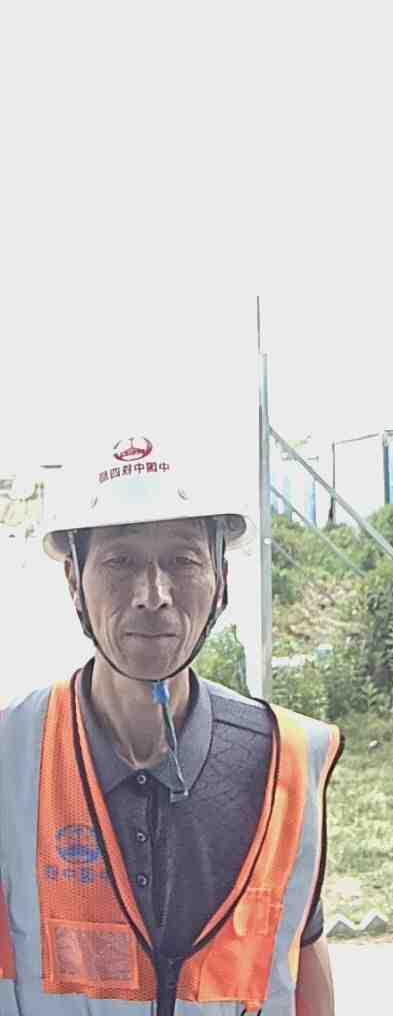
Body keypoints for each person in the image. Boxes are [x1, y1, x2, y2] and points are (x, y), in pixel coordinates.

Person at [0, 434, 344, 1016]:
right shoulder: (11, 756)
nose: (153, 595)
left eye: (183, 561)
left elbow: (301, 957)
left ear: (221, 580)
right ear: (73, 581)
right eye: (120, 561)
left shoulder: (281, 761)